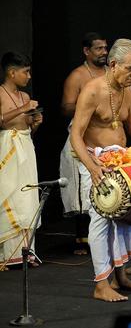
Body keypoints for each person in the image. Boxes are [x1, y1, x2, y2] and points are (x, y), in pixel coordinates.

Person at [70, 38, 131, 302]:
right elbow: (76, 135)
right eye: (130, 68)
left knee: (123, 219)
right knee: (100, 222)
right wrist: (92, 167)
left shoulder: (128, 91)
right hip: (96, 162)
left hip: (121, 162)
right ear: (113, 64)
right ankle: (101, 284)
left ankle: (120, 277)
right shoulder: (92, 90)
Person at [59, 32, 108, 255]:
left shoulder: (110, 73)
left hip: (104, 138)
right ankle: (82, 238)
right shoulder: (78, 76)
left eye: (105, 48)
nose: (103, 52)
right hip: (81, 136)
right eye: (98, 49)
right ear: (86, 51)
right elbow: (65, 108)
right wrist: (89, 102)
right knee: (81, 187)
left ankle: (104, 234)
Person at [0, 51, 42, 270]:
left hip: (25, 147)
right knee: (9, 195)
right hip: (7, 148)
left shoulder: (25, 97)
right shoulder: (0, 93)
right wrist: (23, 110)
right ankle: (4, 255)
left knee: (27, 197)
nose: (28, 76)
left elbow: (26, 126)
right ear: (11, 72)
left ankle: (26, 252)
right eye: (25, 72)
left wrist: (34, 122)